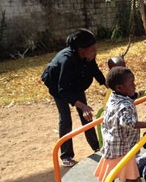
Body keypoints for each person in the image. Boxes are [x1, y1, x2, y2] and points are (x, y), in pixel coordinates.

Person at [94, 67, 146, 182]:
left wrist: (136, 94)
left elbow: (128, 97)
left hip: (112, 142)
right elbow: (128, 123)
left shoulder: (115, 96)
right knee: (131, 175)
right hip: (123, 147)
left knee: (111, 169)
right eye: (131, 84)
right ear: (119, 87)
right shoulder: (124, 105)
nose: (134, 86)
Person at [41, 28, 105, 167]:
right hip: (59, 87)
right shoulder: (67, 60)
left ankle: (97, 147)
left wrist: (108, 84)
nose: (95, 52)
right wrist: (82, 105)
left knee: (87, 117)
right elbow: (62, 89)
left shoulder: (88, 56)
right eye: (93, 49)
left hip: (76, 85)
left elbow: (95, 70)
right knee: (65, 119)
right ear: (82, 50)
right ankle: (66, 155)